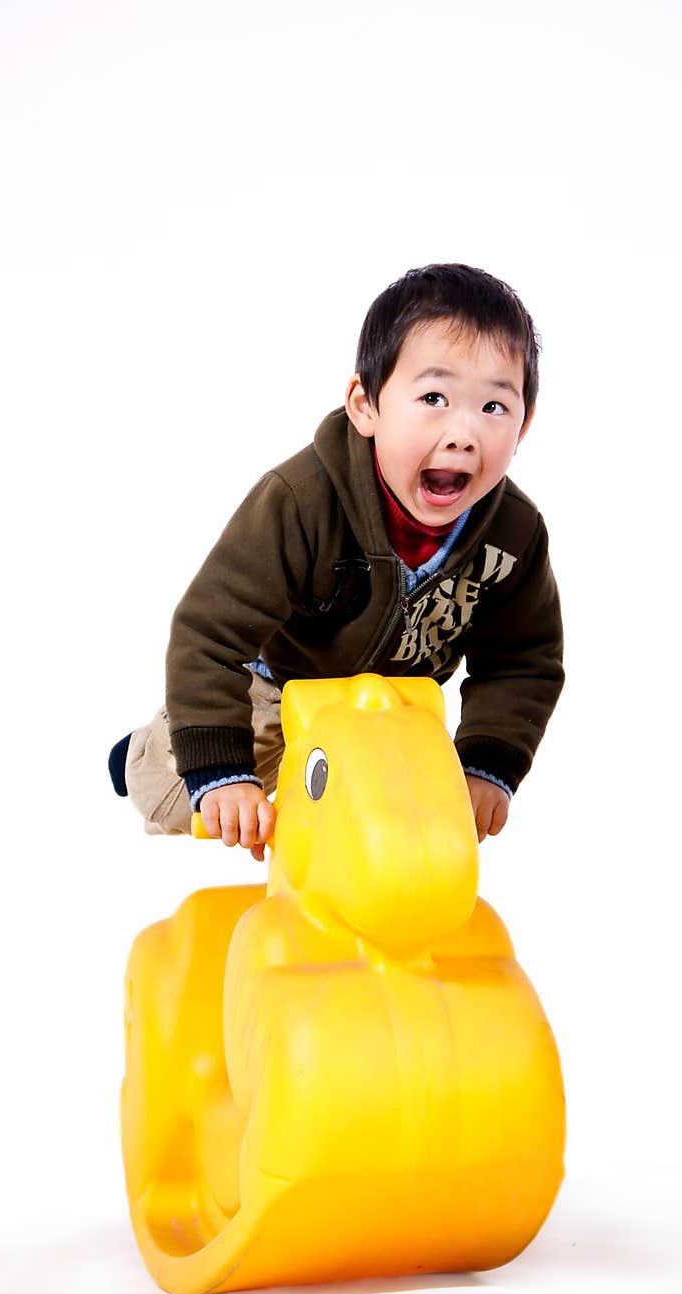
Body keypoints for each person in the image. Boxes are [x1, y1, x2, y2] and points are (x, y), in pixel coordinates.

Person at [108, 262, 564, 860]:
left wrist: (487, 763)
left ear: (524, 423)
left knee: (393, 844)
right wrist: (223, 771)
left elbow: (523, 659)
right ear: (365, 405)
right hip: (280, 685)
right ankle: (144, 751)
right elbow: (209, 631)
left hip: (399, 707)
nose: (463, 433)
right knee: (173, 796)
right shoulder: (300, 500)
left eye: (494, 408)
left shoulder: (515, 536)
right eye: (433, 397)